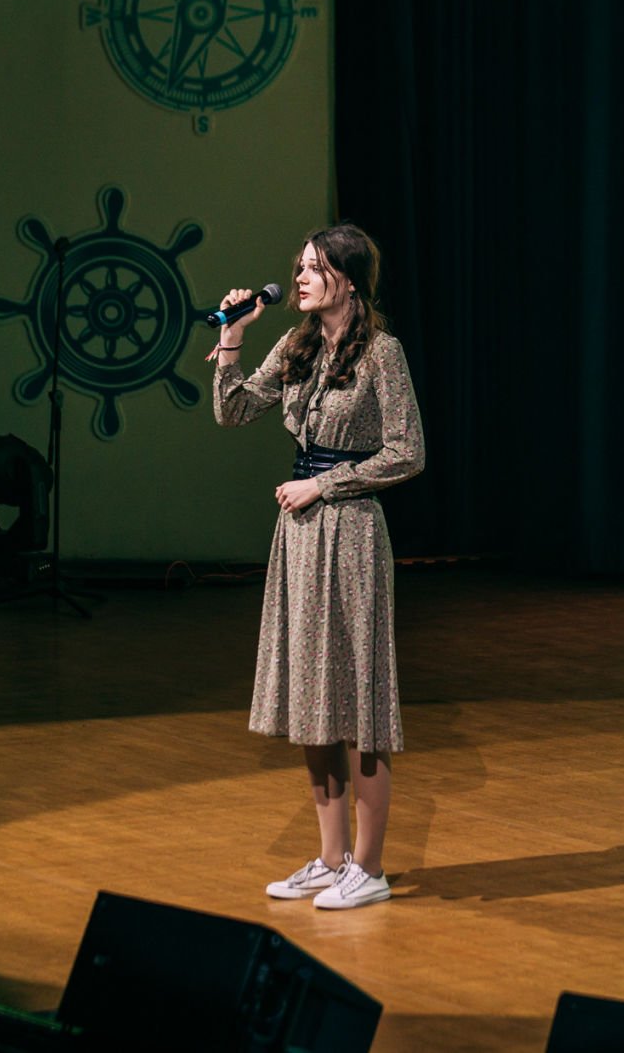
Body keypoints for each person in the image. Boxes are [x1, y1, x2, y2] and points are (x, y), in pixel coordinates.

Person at [212, 223, 425, 910]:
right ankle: (332, 860)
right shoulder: (296, 346)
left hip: (352, 531)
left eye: (313, 267)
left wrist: (323, 486)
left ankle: (370, 867)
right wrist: (232, 338)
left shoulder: (382, 354)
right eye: (298, 266)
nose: (299, 278)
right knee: (313, 697)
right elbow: (233, 410)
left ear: (348, 279)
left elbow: (407, 450)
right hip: (300, 536)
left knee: (357, 700)